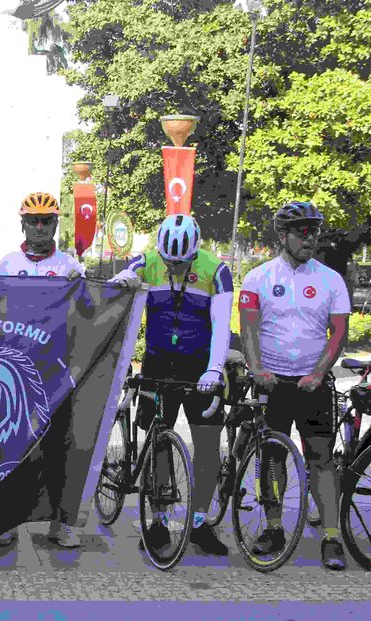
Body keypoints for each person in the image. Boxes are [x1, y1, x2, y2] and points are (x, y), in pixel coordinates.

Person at [111, 214, 233, 557]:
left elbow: (222, 324)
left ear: (195, 252)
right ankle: (159, 521)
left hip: (200, 367)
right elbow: (118, 286)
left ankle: (199, 522)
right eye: (168, 261)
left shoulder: (216, 270)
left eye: (180, 263)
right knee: (158, 444)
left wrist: (215, 369)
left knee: (208, 446)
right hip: (158, 363)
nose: (173, 267)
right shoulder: (148, 262)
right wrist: (121, 279)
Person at [238, 201, 350, 570]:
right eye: (302, 232)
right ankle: (273, 528)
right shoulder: (258, 277)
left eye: (314, 232)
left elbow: (339, 333)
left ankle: (332, 536)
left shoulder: (330, 280)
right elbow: (248, 328)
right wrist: (256, 368)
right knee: (272, 459)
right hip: (272, 382)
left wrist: (318, 373)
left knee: (321, 459)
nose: (310, 239)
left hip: (312, 383)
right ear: (283, 236)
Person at [0, 191, 85, 550]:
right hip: (15, 370)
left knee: (58, 449)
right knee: (12, 446)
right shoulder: (7, 264)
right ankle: (5, 521)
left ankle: (61, 522)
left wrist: (93, 285)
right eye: (33, 220)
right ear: (23, 224)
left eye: (46, 221)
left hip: (55, 371)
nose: (39, 227)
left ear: (55, 224)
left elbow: (90, 311)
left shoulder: (68, 266)